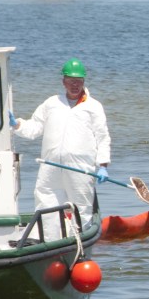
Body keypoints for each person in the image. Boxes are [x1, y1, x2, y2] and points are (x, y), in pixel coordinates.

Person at [11, 58, 111, 240]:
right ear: (63, 81)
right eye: (71, 80)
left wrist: (103, 165)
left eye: (78, 81)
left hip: (80, 168)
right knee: (45, 202)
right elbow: (34, 128)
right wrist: (16, 124)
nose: (75, 85)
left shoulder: (94, 107)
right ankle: (49, 241)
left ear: (84, 81)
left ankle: (79, 242)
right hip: (50, 166)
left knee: (80, 206)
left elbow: (103, 137)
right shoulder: (51, 103)